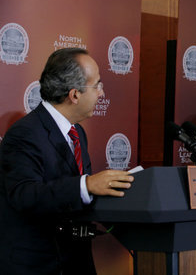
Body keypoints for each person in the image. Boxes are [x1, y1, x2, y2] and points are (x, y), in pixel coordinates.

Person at [0, 48, 134, 275]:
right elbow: (24, 195)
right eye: (97, 85)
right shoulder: (25, 133)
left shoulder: (78, 132)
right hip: (38, 264)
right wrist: (86, 185)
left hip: (75, 260)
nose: (102, 93)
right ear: (74, 95)